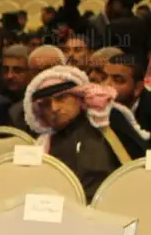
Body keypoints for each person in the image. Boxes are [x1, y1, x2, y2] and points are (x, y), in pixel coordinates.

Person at [23, 65, 148, 201]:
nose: (54, 108)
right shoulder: (44, 143)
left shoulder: (108, 121)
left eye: (61, 98)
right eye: (45, 104)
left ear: (79, 98)